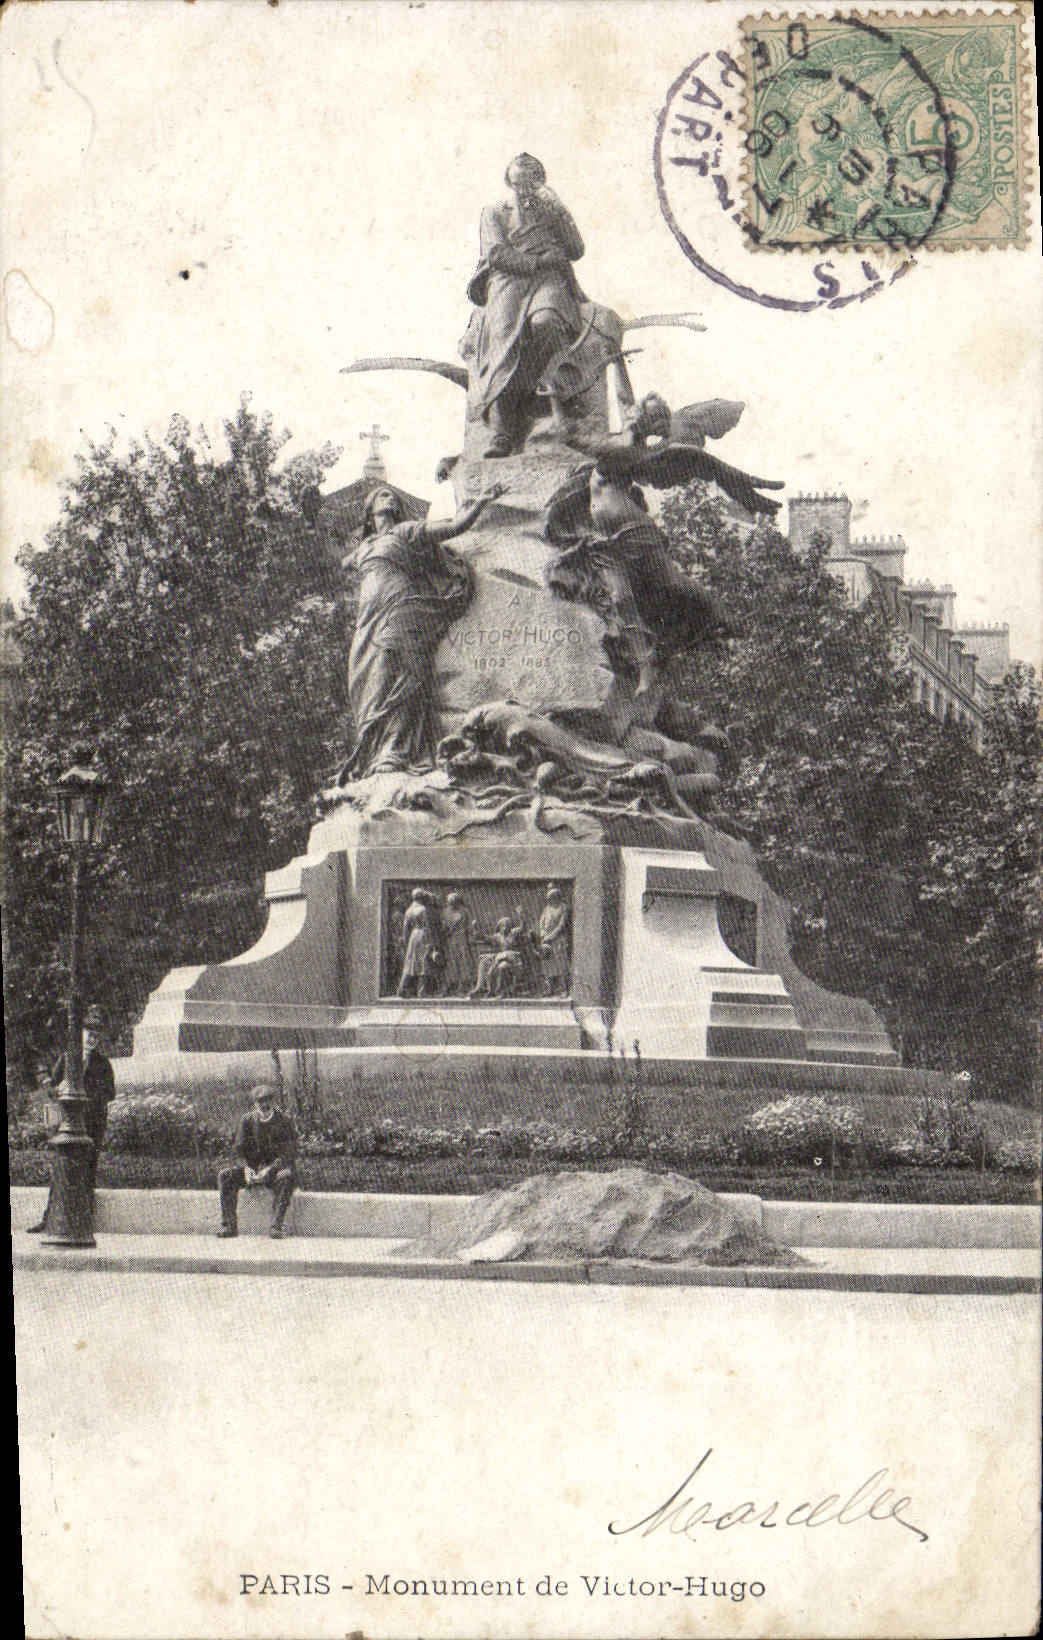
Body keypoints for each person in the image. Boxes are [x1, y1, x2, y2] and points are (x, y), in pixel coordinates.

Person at [338, 482, 503, 779]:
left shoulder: (407, 531)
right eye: (382, 495)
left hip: (403, 607)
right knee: (363, 681)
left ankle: (396, 750)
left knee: (397, 670)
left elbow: (454, 526)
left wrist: (480, 502)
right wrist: (308, 524)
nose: (389, 497)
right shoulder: (364, 548)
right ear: (370, 512)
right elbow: (334, 560)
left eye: (393, 496)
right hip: (368, 619)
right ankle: (373, 753)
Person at [461, 154, 587, 457]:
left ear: (540, 182)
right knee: (503, 340)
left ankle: (557, 392)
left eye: (532, 180)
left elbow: (576, 250)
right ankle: (503, 429)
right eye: (520, 181)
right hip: (509, 278)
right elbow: (496, 254)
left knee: (546, 323)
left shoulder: (551, 210)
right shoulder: (494, 211)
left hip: (549, 280)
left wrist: (561, 214)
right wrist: (536, 261)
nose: (525, 188)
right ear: (510, 182)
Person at [27, 1006, 116, 1234]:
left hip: (90, 1128)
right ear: (81, 1034)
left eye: (97, 1035)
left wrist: (84, 1097)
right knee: (60, 1170)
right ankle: (49, 1220)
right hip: (67, 1125)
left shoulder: (103, 1064)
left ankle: (82, 1221)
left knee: (87, 1174)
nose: (93, 1039)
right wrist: (54, 1089)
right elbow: (53, 1083)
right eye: (90, 1034)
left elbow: (110, 1093)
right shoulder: (68, 1058)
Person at [216, 1085, 296, 1240]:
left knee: (287, 1176)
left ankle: (276, 1227)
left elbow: (288, 1154)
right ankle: (229, 1226)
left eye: (267, 1103)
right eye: (260, 1103)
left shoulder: (284, 1121)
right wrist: (246, 1168)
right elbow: (238, 1150)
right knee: (225, 1175)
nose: (264, 1107)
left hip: (274, 1172)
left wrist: (270, 1170)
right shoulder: (247, 1121)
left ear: (272, 1102)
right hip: (251, 1171)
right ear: (255, 1104)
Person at [397, 889, 440, 998]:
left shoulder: (409, 910)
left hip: (413, 937)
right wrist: (432, 942)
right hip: (423, 936)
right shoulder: (424, 909)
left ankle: (401, 989)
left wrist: (407, 942)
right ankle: (422, 992)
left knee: (410, 964)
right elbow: (428, 927)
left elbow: (405, 929)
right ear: (421, 897)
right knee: (424, 962)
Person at [439, 891, 478, 996]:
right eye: (450, 902)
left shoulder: (464, 911)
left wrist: (470, 939)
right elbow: (441, 927)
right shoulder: (443, 912)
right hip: (449, 940)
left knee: (463, 962)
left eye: (455, 902)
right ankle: (448, 986)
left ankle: (462, 986)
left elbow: (470, 927)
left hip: (462, 939)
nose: (453, 904)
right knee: (450, 962)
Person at [538, 884, 571, 996]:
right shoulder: (546, 909)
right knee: (548, 964)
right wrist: (543, 934)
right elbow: (541, 923)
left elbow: (561, 926)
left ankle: (564, 989)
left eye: (553, 896)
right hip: (547, 941)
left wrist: (550, 936)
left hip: (559, 941)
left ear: (558, 896)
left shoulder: (564, 908)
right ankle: (550, 988)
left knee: (561, 964)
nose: (551, 899)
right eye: (550, 897)